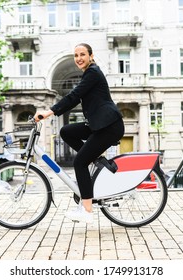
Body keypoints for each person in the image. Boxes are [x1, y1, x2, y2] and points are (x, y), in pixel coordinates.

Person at [34, 43, 124, 223]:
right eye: (76, 55)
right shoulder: (89, 73)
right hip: (98, 124)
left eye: (82, 54)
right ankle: (94, 157)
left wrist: (49, 112)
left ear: (91, 56)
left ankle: (87, 211)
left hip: (109, 126)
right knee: (66, 131)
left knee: (79, 163)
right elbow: (74, 99)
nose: (78, 58)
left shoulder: (93, 72)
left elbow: (73, 96)